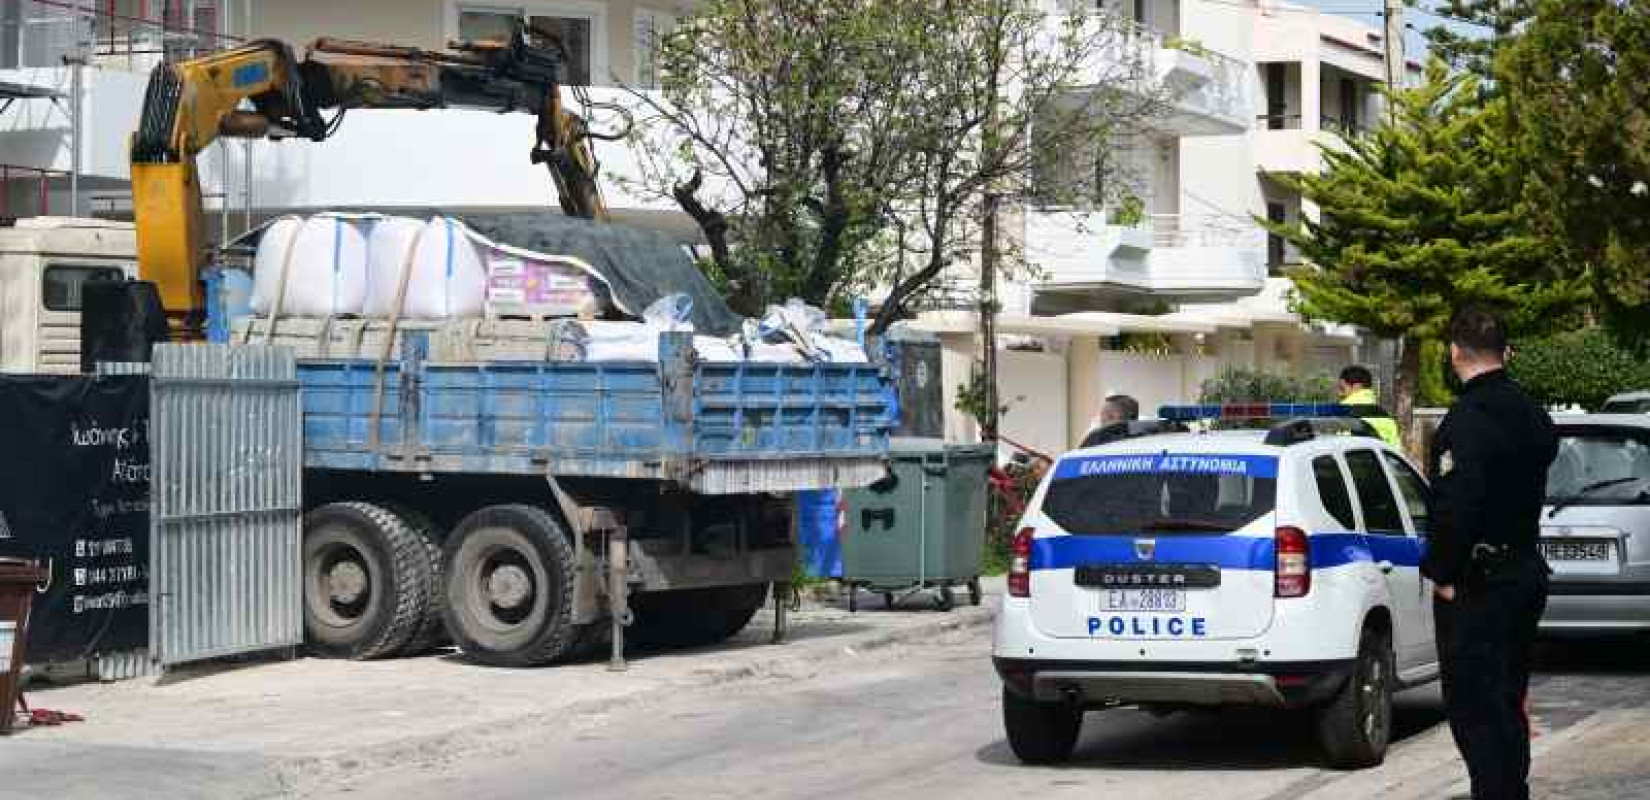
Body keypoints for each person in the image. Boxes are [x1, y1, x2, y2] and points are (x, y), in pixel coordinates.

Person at [1422, 306, 1557, 800]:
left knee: (1476, 708)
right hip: (1522, 568)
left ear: (1454, 352)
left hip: (1480, 581)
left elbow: (1458, 504)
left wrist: (1442, 572)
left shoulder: (1467, 420)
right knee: (1507, 700)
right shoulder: (1531, 412)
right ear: (1507, 352)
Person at [1337, 365, 1402, 449]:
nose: (1339, 393)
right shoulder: (1385, 416)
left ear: (1357, 387)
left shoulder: (1342, 411)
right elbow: (1396, 448)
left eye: (1342, 389)